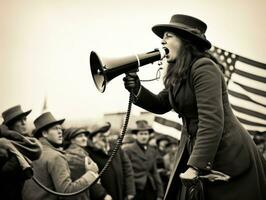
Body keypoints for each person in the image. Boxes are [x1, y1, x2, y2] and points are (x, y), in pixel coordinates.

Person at [123, 14, 266, 200]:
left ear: (185, 40)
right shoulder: (179, 74)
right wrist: (137, 88)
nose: (162, 41)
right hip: (199, 150)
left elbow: (212, 121)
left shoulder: (204, 67)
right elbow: (160, 104)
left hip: (225, 154)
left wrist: (195, 166)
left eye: (168, 36)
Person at [22, 112, 98, 200]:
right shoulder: (56, 156)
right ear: (44, 133)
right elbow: (66, 192)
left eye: (60, 129)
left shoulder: (30, 152)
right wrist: (90, 174)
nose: (60, 132)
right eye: (55, 128)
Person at [0, 105, 42, 200]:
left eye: (25, 119)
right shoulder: (4, 146)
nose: (24, 123)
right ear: (11, 125)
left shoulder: (24, 144)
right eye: (19, 120)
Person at [86, 122, 136, 200]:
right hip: (105, 196)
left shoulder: (116, 147)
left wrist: (130, 190)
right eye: (100, 135)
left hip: (121, 192)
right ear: (93, 138)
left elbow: (127, 168)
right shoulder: (88, 152)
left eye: (105, 134)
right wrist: (102, 195)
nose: (104, 138)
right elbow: (90, 177)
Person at [63, 127, 112, 200]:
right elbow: (90, 179)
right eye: (80, 136)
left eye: (84, 136)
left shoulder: (81, 152)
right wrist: (103, 195)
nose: (84, 138)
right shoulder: (74, 156)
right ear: (72, 140)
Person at [123, 123, 164, 200]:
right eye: (141, 134)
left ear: (149, 135)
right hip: (135, 188)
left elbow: (154, 172)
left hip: (150, 187)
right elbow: (126, 172)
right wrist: (129, 192)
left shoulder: (152, 150)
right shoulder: (128, 150)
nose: (144, 136)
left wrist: (160, 194)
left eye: (146, 134)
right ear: (136, 135)